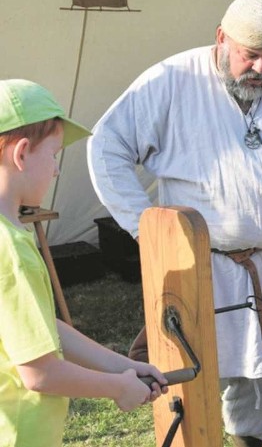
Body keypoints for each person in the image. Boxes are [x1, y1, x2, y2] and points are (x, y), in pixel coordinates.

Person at [87, 0, 262, 446]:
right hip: (194, 269)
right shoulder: (170, 81)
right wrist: (149, 230)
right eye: (251, 55)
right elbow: (106, 147)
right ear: (222, 38)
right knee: (189, 378)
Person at [0, 79, 167, 447]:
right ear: (22, 153)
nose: (56, 170)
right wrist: (116, 388)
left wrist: (123, 367)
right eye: (54, 154)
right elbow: (38, 372)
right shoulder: (10, 249)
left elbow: (43, 330)